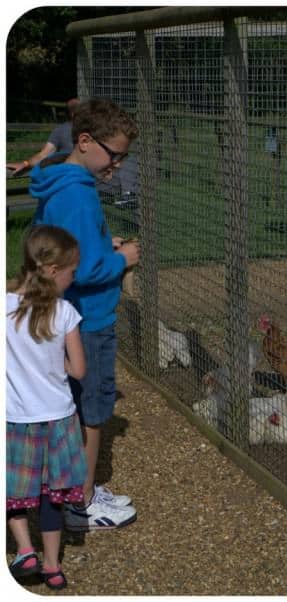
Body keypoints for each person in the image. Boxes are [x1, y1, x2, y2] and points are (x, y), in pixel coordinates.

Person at [30, 98, 141, 531]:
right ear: (85, 141)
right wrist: (122, 259)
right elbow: (87, 269)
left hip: (64, 313)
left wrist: (100, 243)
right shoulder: (79, 196)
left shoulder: (57, 182)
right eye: (114, 154)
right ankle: (83, 501)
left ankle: (72, 488)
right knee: (93, 413)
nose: (118, 163)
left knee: (71, 406)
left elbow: (65, 249)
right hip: (89, 318)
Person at [6, 226, 87, 590]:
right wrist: (59, 368)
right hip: (58, 418)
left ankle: (25, 548)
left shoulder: (5, 304)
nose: (74, 278)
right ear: (53, 270)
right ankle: (53, 565)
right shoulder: (65, 312)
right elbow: (79, 370)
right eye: (72, 271)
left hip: (16, 419)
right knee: (50, 495)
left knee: (14, 488)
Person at [6, 98, 79, 177]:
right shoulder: (62, 130)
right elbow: (44, 154)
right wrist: (25, 163)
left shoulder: (91, 128)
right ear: (73, 114)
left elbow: (44, 154)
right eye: (84, 111)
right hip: (72, 177)